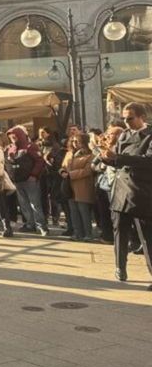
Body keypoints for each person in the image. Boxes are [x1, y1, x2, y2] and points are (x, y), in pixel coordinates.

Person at [99, 102, 152, 288]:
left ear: (142, 117)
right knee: (120, 231)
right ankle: (120, 267)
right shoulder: (123, 136)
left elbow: (148, 161)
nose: (126, 122)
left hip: (142, 191)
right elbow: (119, 162)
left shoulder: (150, 135)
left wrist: (117, 158)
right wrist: (107, 158)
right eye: (124, 118)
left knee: (148, 235)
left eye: (130, 118)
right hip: (121, 190)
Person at [6, 126, 48, 235]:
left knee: (35, 204)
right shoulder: (10, 148)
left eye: (14, 136)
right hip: (17, 181)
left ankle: (42, 226)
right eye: (11, 137)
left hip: (30, 180)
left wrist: (33, 175)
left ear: (20, 135)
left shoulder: (30, 147)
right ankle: (30, 224)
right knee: (23, 204)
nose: (13, 138)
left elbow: (39, 161)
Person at [92, 125, 125, 244]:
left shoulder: (121, 148)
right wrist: (101, 165)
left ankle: (120, 239)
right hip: (104, 184)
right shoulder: (105, 148)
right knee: (104, 212)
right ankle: (107, 236)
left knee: (117, 215)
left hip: (118, 186)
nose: (106, 136)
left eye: (110, 134)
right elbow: (93, 164)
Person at [60, 134, 96, 242]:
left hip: (83, 186)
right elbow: (63, 167)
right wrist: (62, 172)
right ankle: (77, 233)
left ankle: (88, 234)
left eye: (78, 141)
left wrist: (71, 174)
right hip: (70, 187)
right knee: (73, 211)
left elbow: (88, 171)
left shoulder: (90, 155)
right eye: (73, 141)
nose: (75, 143)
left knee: (83, 211)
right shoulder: (69, 154)